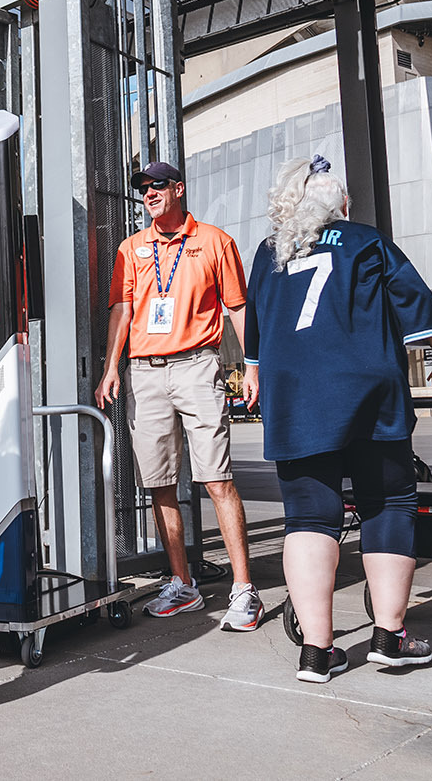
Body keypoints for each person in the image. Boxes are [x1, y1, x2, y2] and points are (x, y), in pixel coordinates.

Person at [243, 156, 432, 681]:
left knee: (308, 519)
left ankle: (317, 651)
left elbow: (256, 336)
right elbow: (419, 310)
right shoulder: (365, 241)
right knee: (387, 501)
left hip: (295, 398)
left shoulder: (269, 254)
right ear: (342, 207)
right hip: (367, 391)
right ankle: (390, 637)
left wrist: (253, 374)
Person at [94, 159, 262, 629]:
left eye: (158, 185)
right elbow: (122, 311)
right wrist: (112, 368)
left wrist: (253, 366)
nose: (148, 192)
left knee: (216, 478)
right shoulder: (132, 248)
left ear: (179, 189)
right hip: (144, 373)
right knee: (158, 481)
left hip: (197, 365)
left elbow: (237, 309)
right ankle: (183, 584)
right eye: (143, 188)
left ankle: (244, 590)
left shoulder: (214, 241)